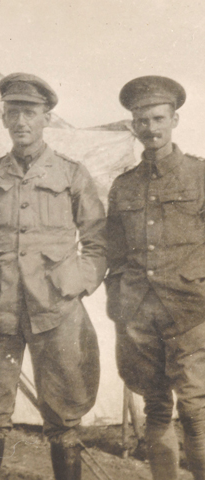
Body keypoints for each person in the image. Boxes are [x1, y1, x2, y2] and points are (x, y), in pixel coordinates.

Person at [0, 73, 106, 480]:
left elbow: (97, 241)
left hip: (55, 310)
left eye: (30, 112)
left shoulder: (73, 175)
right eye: (13, 112)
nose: (21, 121)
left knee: (65, 414)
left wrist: (77, 284)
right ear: (4, 119)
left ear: (47, 118)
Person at [106, 76, 205, 480]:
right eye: (142, 121)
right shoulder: (122, 185)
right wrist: (119, 300)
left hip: (189, 312)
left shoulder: (200, 176)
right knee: (156, 406)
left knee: (197, 405)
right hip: (139, 315)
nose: (151, 128)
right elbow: (113, 252)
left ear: (175, 119)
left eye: (158, 118)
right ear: (133, 126)